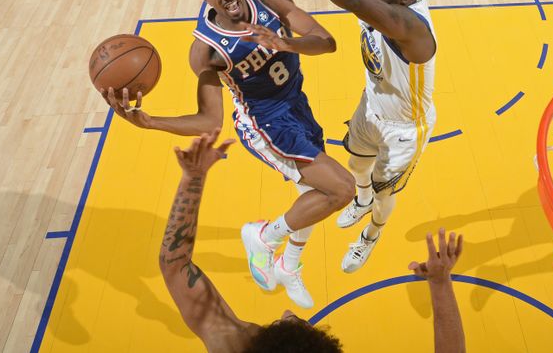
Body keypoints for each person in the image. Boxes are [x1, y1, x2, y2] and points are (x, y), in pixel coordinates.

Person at [209, 0, 437, 274]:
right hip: (373, 105)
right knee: (356, 166)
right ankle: (361, 200)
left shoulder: (411, 28)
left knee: (385, 193)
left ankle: (371, 234)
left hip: (405, 125)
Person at [100, 0, 355, 309]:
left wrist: (288, 43)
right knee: (341, 188)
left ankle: (288, 265)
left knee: (312, 195)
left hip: (297, 105)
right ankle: (263, 237)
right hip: (266, 123)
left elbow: (326, 41)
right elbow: (210, 121)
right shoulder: (206, 50)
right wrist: (150, 121)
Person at [160, 131, 467, 353]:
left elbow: (175, 265)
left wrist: (193, 178)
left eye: (285, 324)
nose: (288, 313)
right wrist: (440, 284)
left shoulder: (235, 343)